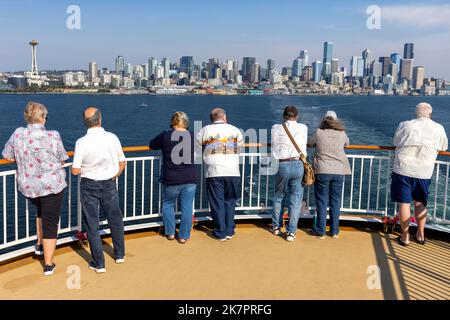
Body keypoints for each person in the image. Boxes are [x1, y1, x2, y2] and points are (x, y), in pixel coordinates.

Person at [2, 102, 68, 276]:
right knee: (50, 221)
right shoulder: (53, 135)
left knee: (41, 211)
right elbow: (63, 158)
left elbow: (7, 156)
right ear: (41, 118)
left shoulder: (17, 133)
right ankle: (48, 264)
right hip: (51, 185)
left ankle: (39, 244)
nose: (46, 119)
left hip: (29, 187)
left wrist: (25, 159)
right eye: (45, 117)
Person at [71, 107, 126, 273]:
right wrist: (114, 175)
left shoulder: (81, 142)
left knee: (92, 224)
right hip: (109, 183)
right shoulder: (112, 138)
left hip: (89, 185)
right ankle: (119, 254)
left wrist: (88, 168)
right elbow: (122, 162)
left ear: (85, 123)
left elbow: (75, 170)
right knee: (115, 220)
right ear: (100, 120)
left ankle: (99, 263)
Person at [391, 102, 448, 246]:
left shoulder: (405, 125)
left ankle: (405, 237)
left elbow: (395, 141)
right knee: (420, 203)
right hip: (423, 171)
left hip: (403, 170)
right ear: (430, 114)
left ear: (415, 114)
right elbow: (444, 146)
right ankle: (420, 234)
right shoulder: (438, 128)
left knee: (404, 204)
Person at [149, 112, 197, 244]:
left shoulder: (165, 136)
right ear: (186, 123)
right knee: (187, 208)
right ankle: (183, 236)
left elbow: (151, 145)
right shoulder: (193, 136)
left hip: (172, 178)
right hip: (189, 178)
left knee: (168, 204)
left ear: (172, 122)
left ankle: (170, 233)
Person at [197, 108, 243, 241]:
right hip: (232, 170)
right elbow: (239, 147)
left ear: (212, 118)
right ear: (224, 117)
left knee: (217, 202)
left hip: (214, 170)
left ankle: (220, 232)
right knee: (230, 200)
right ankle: (229, 230)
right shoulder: (235, 130)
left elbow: (197, 146)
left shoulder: (205, 130)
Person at [308, 111, 351, 240]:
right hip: (338, 171)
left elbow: (310, 143)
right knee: (335, 201)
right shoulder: (341, 133)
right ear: (336, 121)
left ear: (324, 120)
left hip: (322, 170)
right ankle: (334, 231)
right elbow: (347, 144)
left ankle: (320, 231)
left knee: (322, 201)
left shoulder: (319, 132)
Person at [271, 106, 308, 242]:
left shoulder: (276, 127)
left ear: (283, 116)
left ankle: (276, 226)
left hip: (283, 164)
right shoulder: (303, 128)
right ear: (297, 116)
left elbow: (275, 144)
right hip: (298, 164)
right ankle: (291, 232)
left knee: (279, 196)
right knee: (295, 200)